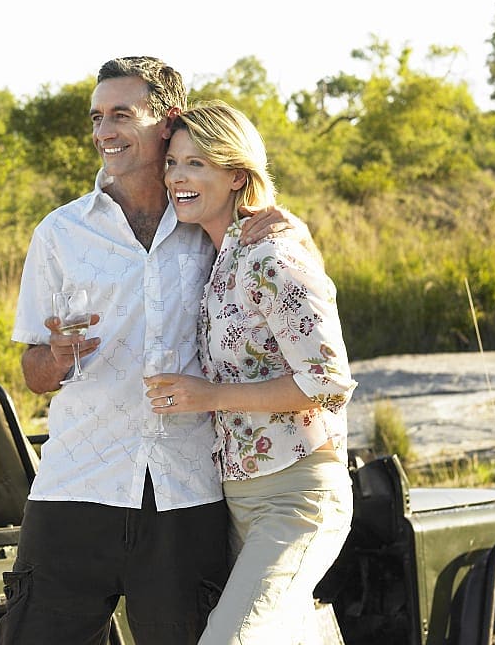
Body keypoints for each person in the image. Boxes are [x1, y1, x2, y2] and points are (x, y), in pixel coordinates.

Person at [0, 57, 318, 645]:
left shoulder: (212, 222)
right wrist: (57, 354)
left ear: (166, 121)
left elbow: (278, 254)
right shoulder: (59, 234)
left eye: (122, 114)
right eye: (97, 118)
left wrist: (289, 226)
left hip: (185, 490)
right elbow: (32, 372)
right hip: (76, 484)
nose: (104, 132)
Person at [146, 100, 355, 645]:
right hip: (238, 499)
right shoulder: (212, 257)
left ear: (237, 174)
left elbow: (327, 384)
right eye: (172, 163)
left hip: (299, 494)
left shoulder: (272, 255)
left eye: (197, 163)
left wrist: (208, 395)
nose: (178, 177)